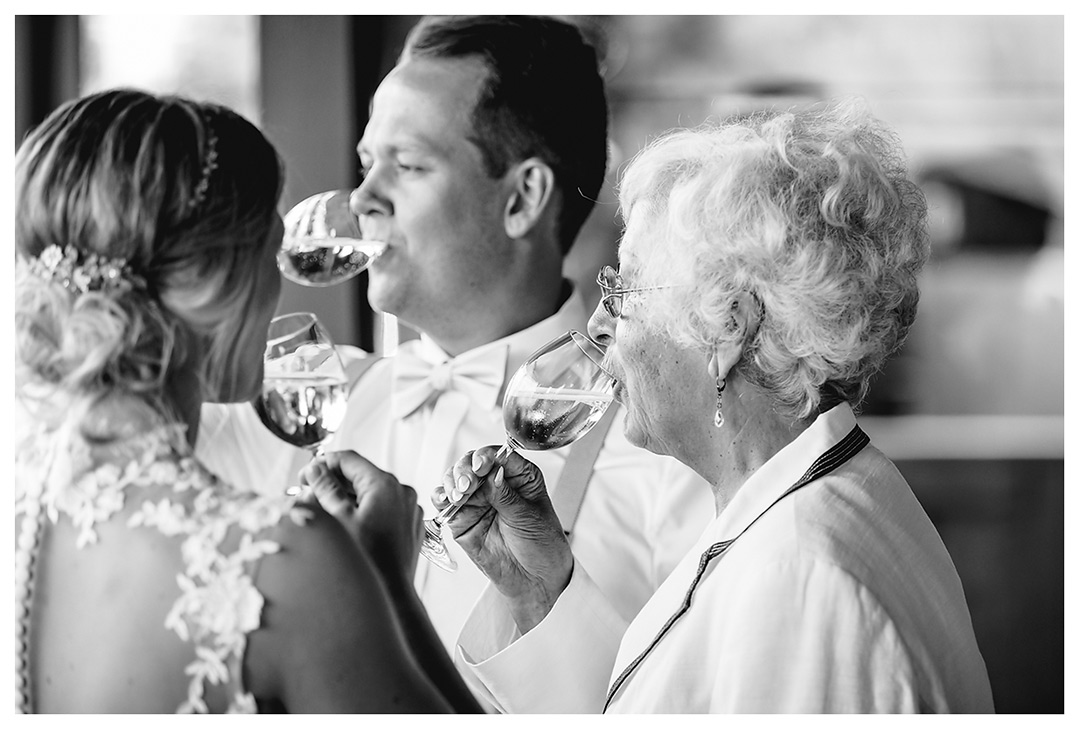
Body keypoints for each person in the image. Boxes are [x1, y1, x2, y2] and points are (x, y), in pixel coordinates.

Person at [432, 99, 996, 712]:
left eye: (622, 293)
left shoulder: (799, 576)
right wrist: (538, 590)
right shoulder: (802, 499)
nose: (599, 323)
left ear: (728, 330)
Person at [196, 14, 714, 657]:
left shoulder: (670, 451)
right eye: (366, 164)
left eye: (407, 166)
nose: (361, 200)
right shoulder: (300, 397)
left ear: (523, 198)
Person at [13, 88, 482, 713]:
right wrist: (388, 583)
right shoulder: (285, 562)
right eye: (272, 244)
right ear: (220, 277)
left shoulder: (16, 498)